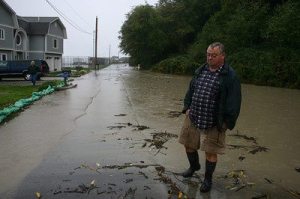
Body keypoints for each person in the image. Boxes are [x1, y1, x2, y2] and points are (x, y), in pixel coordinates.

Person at [178, 42, 241, 193]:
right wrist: (187, 107)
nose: (210, 58)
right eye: (208, 54)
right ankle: (194, 167)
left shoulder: (230, 76)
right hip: (193, 115)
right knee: (188, 144)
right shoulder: (201, 70)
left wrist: (227, 122)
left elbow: (234, 102)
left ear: (222, 56)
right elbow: (191, 90)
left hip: (215, 120)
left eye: (214, 55)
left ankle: (207, 180)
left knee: (211, 151)